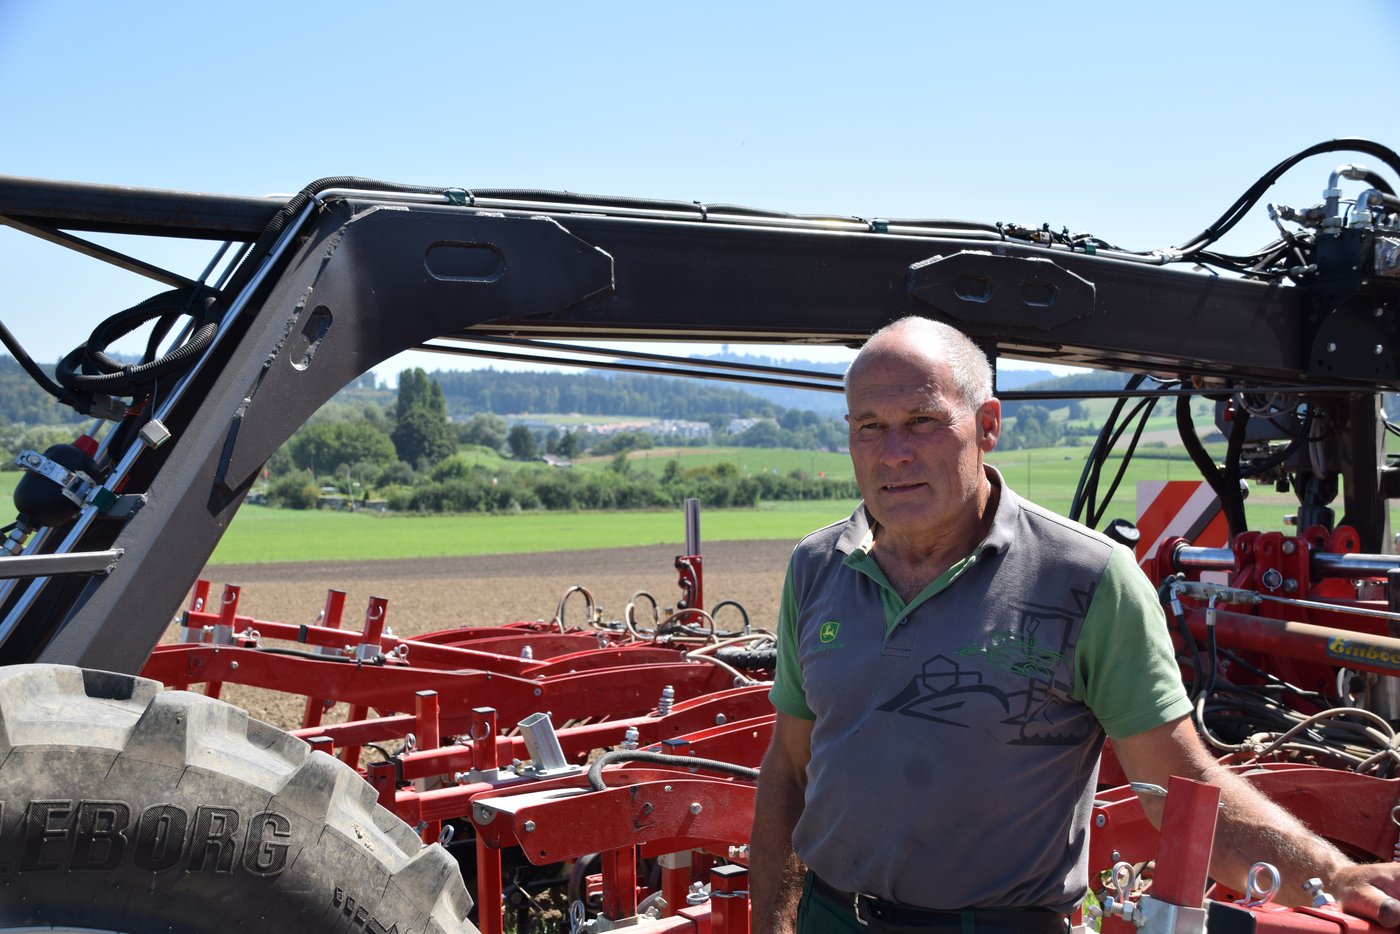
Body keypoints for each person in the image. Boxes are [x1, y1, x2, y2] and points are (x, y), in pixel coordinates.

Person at [749, 316, 1400, 934]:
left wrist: (1334, 877)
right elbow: (789, 768)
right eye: (870, 426)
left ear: (987, 424)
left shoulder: (1087, 577)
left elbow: (1179, 788)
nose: (894, 452)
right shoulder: (817, 566)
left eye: (922, 421)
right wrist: (768, 922)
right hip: (829, 916)